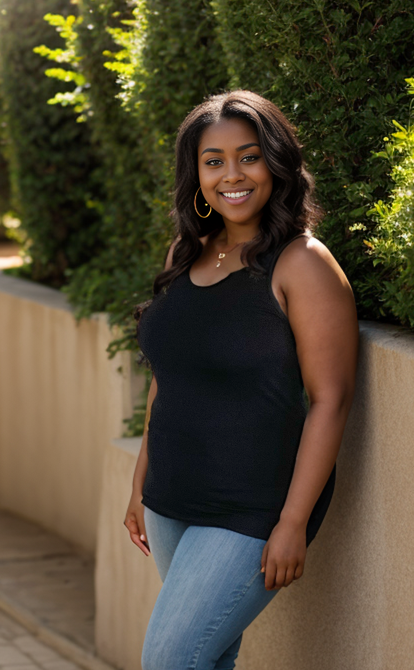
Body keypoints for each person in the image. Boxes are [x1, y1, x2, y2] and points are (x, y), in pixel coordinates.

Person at [124, 89, 359, 670]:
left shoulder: (302, 262)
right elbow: (168, 379)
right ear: (196, 174)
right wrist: (140, 483)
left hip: (253, 507)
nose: (232, 174)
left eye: (248, 156)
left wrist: (293, 522)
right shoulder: (190, 250)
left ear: (275, 162)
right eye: (214, 161)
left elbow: (331, 400)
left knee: (170, 660)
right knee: (211, 657)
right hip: (173, 495)